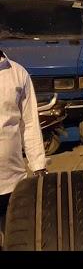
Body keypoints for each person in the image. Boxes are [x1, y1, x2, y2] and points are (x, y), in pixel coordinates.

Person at [0, 49, 47, 247]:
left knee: (16, 238)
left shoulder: (17, 73)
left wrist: (38, 164)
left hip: (11, 179)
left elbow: (29, 123)